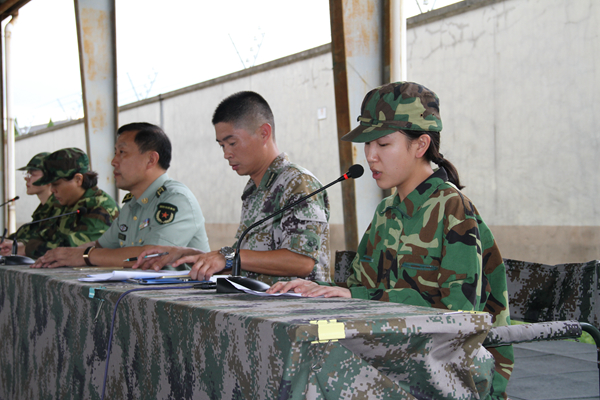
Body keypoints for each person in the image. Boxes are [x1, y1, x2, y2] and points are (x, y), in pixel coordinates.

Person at [267, 82, 513, 399]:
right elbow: (359, 291)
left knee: (320, 364)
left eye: (383, 144)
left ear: (420, 145)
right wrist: (324, 294)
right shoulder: (386, 213)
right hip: (388, 344)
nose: (370, 156)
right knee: (306, 341)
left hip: (449, 365)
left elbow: (457, 317)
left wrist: (360, 296)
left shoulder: (453, 210)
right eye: (368, 144)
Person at [134, 91, 330, 285]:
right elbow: (245, 261)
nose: (226, 154)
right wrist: (192, 255)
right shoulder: (255, 189)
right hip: (261, 302)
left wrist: (228, 256)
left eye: (232, 143)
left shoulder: (298, 183)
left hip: (298, 308)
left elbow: (301, 261)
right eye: (222, 146)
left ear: (264, 133)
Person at [31, 122, 210, 268]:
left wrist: (85, 256)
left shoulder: (176, 199)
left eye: (122, 152)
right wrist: (61, 255)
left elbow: (151, 257)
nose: (113, 161)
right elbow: (101, 246)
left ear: (151, 160)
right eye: (115, 153)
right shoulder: (133, 204)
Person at [1, 148, 119, 258]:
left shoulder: (100, 207)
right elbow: (46, 236)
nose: (52, 190)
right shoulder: (66, 203)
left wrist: (28, 249)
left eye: (56, 184)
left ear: (78, 179)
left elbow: (72, 249)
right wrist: (19, 245)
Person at [6, 152, 57, 244]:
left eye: (32, 174)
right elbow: (22, 235)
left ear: (49, 178)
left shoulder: (59, 209)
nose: (26, 178)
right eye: (27, 173)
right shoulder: (42, 210)